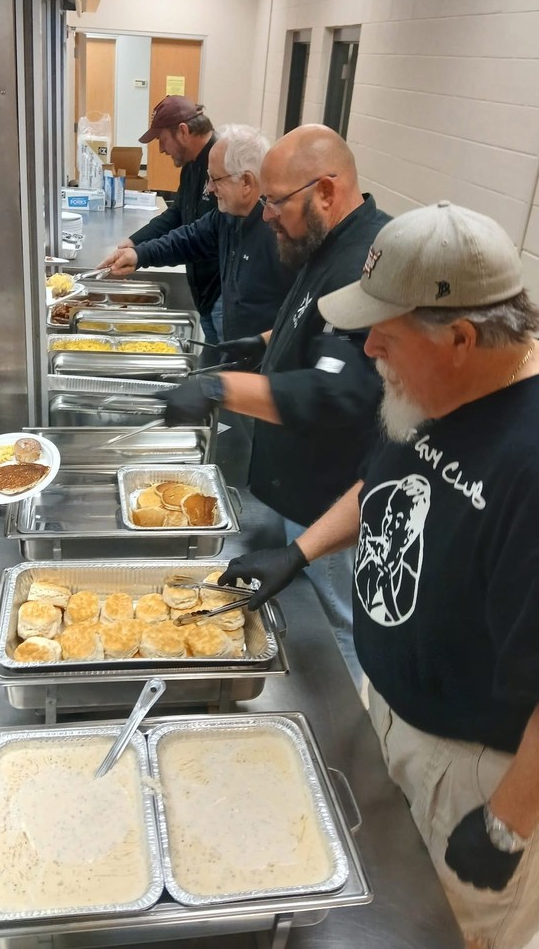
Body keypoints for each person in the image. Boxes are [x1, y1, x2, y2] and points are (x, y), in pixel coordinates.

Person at [219, 201, 539, 949]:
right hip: (400, 711)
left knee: (446, 932)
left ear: (463, 337)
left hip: (487, 766)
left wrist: (507, 824)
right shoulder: (442, 387)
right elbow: (388, 483)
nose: (366, 344)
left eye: (387, 329)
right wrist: (301, 551)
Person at [156, 124, 390, 685]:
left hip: (335, 493)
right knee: (308, 615)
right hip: (300, 484)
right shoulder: (324, 242)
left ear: (326, 192)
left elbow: (340, 388)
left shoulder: (369, 259)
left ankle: (348, 738)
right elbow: (314, 327)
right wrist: (261, 343)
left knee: (338, 630)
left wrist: (219, 389)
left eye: (275, 200)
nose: (265, 214)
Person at [98, 123, 294, 342]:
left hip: (261, 366)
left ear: (246, 182)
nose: (209, 188)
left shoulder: (280, 233)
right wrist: (138, 254)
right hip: (234, 352)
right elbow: (187, 239)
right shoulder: (226, 216)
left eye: (216, 179)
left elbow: (298, 319)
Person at [124, 95, 222, 342]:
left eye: (162, 139)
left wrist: (143, 254)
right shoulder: (192, 165)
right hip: (205, 294)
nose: (160, 149)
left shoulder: (220, 165)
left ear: (183, 131)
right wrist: (134, 242)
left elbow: (200, 237)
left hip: (222, 294)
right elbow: (177, 214)